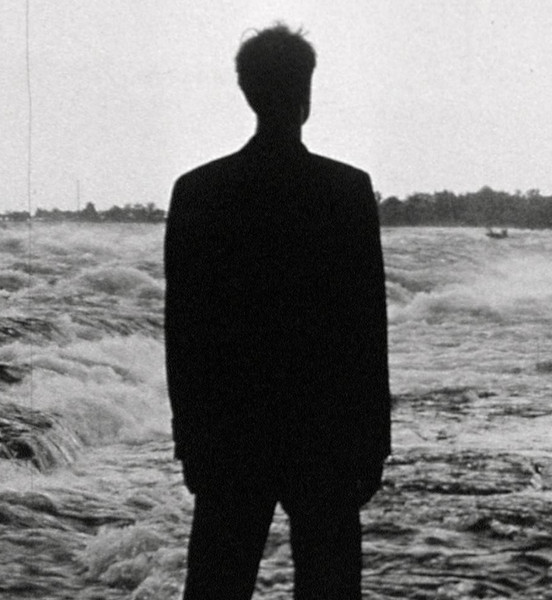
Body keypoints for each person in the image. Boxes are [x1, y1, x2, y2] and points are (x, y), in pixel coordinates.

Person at [164, 23, 391, 600]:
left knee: (217, 586)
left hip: (231, 432)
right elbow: (367, 327)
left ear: (247, 92)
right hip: (326, 432)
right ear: (307, 94)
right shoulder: (347, 190)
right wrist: (375, 441)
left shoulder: (198, 191)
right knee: (330, 587)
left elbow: (183, 332)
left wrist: (190, 439)